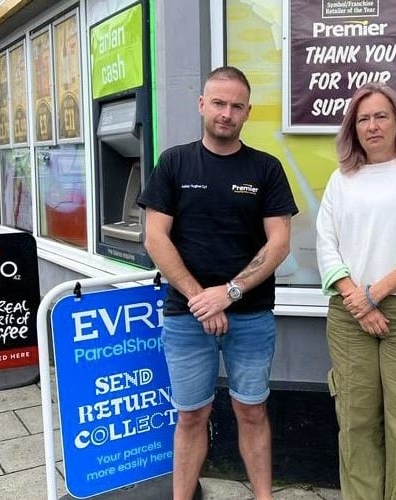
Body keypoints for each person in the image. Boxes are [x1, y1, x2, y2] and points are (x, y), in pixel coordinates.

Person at [137, 66, 298, 500]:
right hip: (187, 317)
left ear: (248, 112)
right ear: (202, 104)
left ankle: (264, 496)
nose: (226, 113)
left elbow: (279, 243)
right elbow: (155, 238)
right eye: (219, 103)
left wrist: (227, 294)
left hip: (250, 315)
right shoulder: (174, 162)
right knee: (191, 415)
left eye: (237, 106)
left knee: (251, 410)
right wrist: (200, 300)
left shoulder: (266, 169)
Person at [315, 82, 396, 500]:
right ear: (352, 128)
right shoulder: (342, 179)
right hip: (349, 316)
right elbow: (325, 243)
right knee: (355, 422)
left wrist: (372, 295)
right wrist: (357, 299)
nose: (371, 126)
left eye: (380, 116)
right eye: (362, 118)